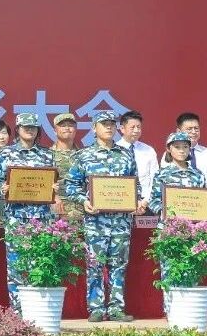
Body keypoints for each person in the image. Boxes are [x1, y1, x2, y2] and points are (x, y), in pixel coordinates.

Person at [64, 111, 144, 322]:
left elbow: (135, 184)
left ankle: (117, 308)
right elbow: (71, 186)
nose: (108, 127)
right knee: (95, 264)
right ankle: (96, 308)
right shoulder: (83, 155)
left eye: (111, 124)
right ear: (94, 128)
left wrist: (135, 201)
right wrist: (84, 201)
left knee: (119, 264)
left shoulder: (125, 154)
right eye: (103, 124)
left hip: (121, 220)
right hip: (95, 220)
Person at [0, 113, 56, 312]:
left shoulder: (47, 154)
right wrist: (1, 189)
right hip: (15, 216)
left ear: (38, 130)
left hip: (41, 217)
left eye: (33, 127)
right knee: (16, 265)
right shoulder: (6, 153)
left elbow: (54, 181)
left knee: (39, 262)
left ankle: (36, 310)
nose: (29, 130)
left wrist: (54, 188)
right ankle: (17, 311)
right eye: (25, 127)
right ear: (18, 129)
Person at [147, 131, 207, 313]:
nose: (182, 150)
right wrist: (165, 212)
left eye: (185, 147)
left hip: (192, 230)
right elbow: (153, 200)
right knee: (169, 268)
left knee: (192, 266)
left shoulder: (198, 175)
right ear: (169, 149)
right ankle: (171, 310)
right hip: (169, 230)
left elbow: (202, 201)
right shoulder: (162, 174)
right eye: (177, 147)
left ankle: (188, 310)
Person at [172, 112, 207, 204]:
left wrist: (205, 206)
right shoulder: (170, 154)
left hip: (203, 204)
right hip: (177, 205)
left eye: (196, 128)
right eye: (189, 129)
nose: (194, 132)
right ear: (178, 131)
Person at [115, 111, 159, 212]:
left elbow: (155, 178)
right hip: (121, 202)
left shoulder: (148, 150)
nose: (136, 130)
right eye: (132, 127)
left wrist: (146, 201)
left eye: (138, 127)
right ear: (122, 129)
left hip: (146, 203)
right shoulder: (115, 150)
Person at [50, 113, 84, 222]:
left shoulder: (84, 155)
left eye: (70, 125)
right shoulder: (47, 155)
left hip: (81, 211)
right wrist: (54, 197)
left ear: (75, 130)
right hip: (58, 211)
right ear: (55, 130)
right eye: (63, 125)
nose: (67, 128)